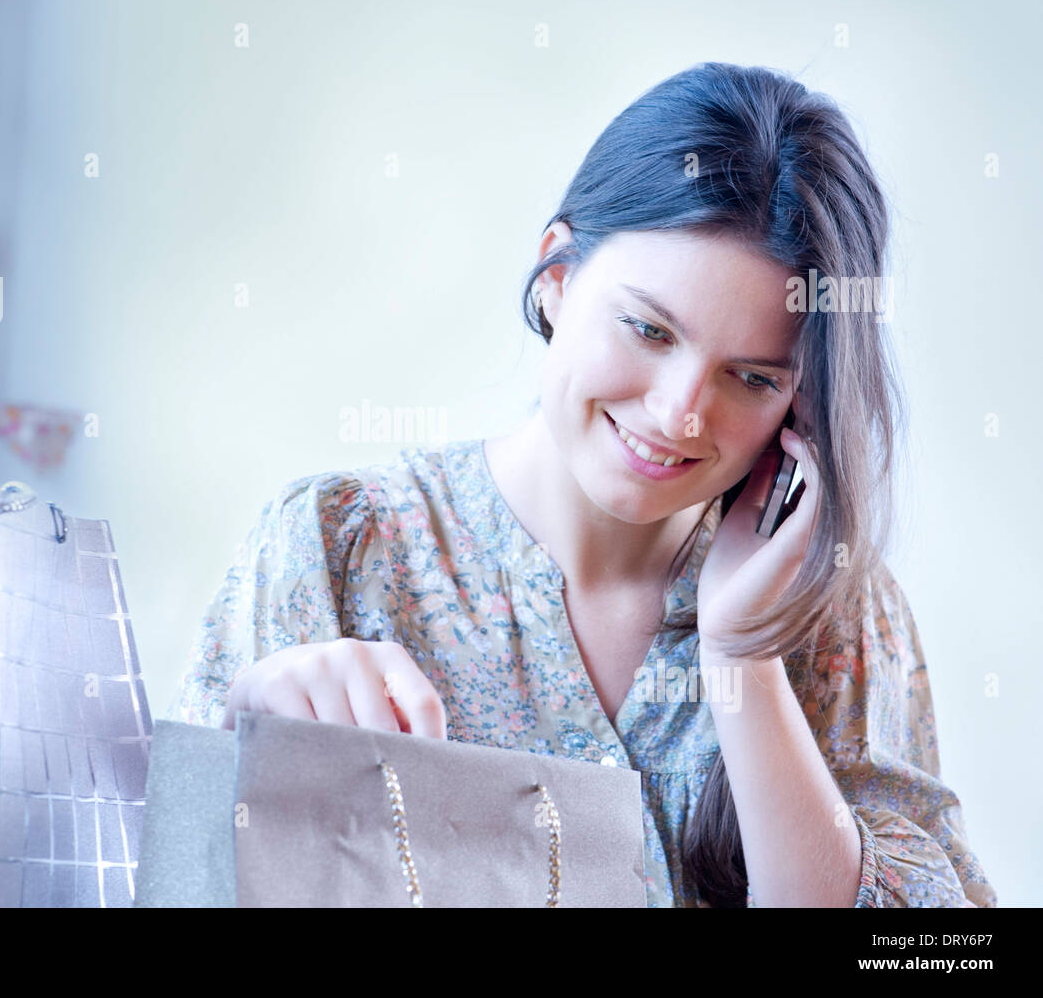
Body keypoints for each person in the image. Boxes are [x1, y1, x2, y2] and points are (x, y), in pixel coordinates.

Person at [170, 62, 997, 908]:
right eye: (647, 328)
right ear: (557, 278)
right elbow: (161, 872)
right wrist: (240, 746)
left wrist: (742, 663)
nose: (681, 415)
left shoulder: (836, 612)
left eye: (750, 378)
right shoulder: (337, 545)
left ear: (801, 401)